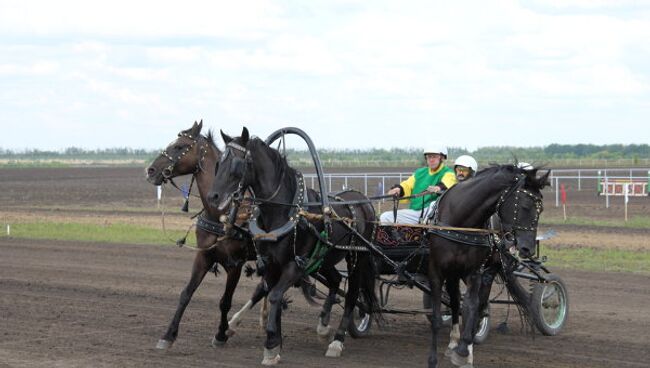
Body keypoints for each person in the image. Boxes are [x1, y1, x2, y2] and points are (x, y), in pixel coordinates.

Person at [380, 146, 457, 224]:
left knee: (433, 205)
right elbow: (407, 185)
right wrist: (398, 189)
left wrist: (438, 188)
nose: (431, 160)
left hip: (433, 214)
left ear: (442, 158)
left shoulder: (448, 172)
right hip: (415, 213)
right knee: (385, 217)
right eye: (429, 157)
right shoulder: (419, 172)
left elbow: (447, 184)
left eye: (434, 157)